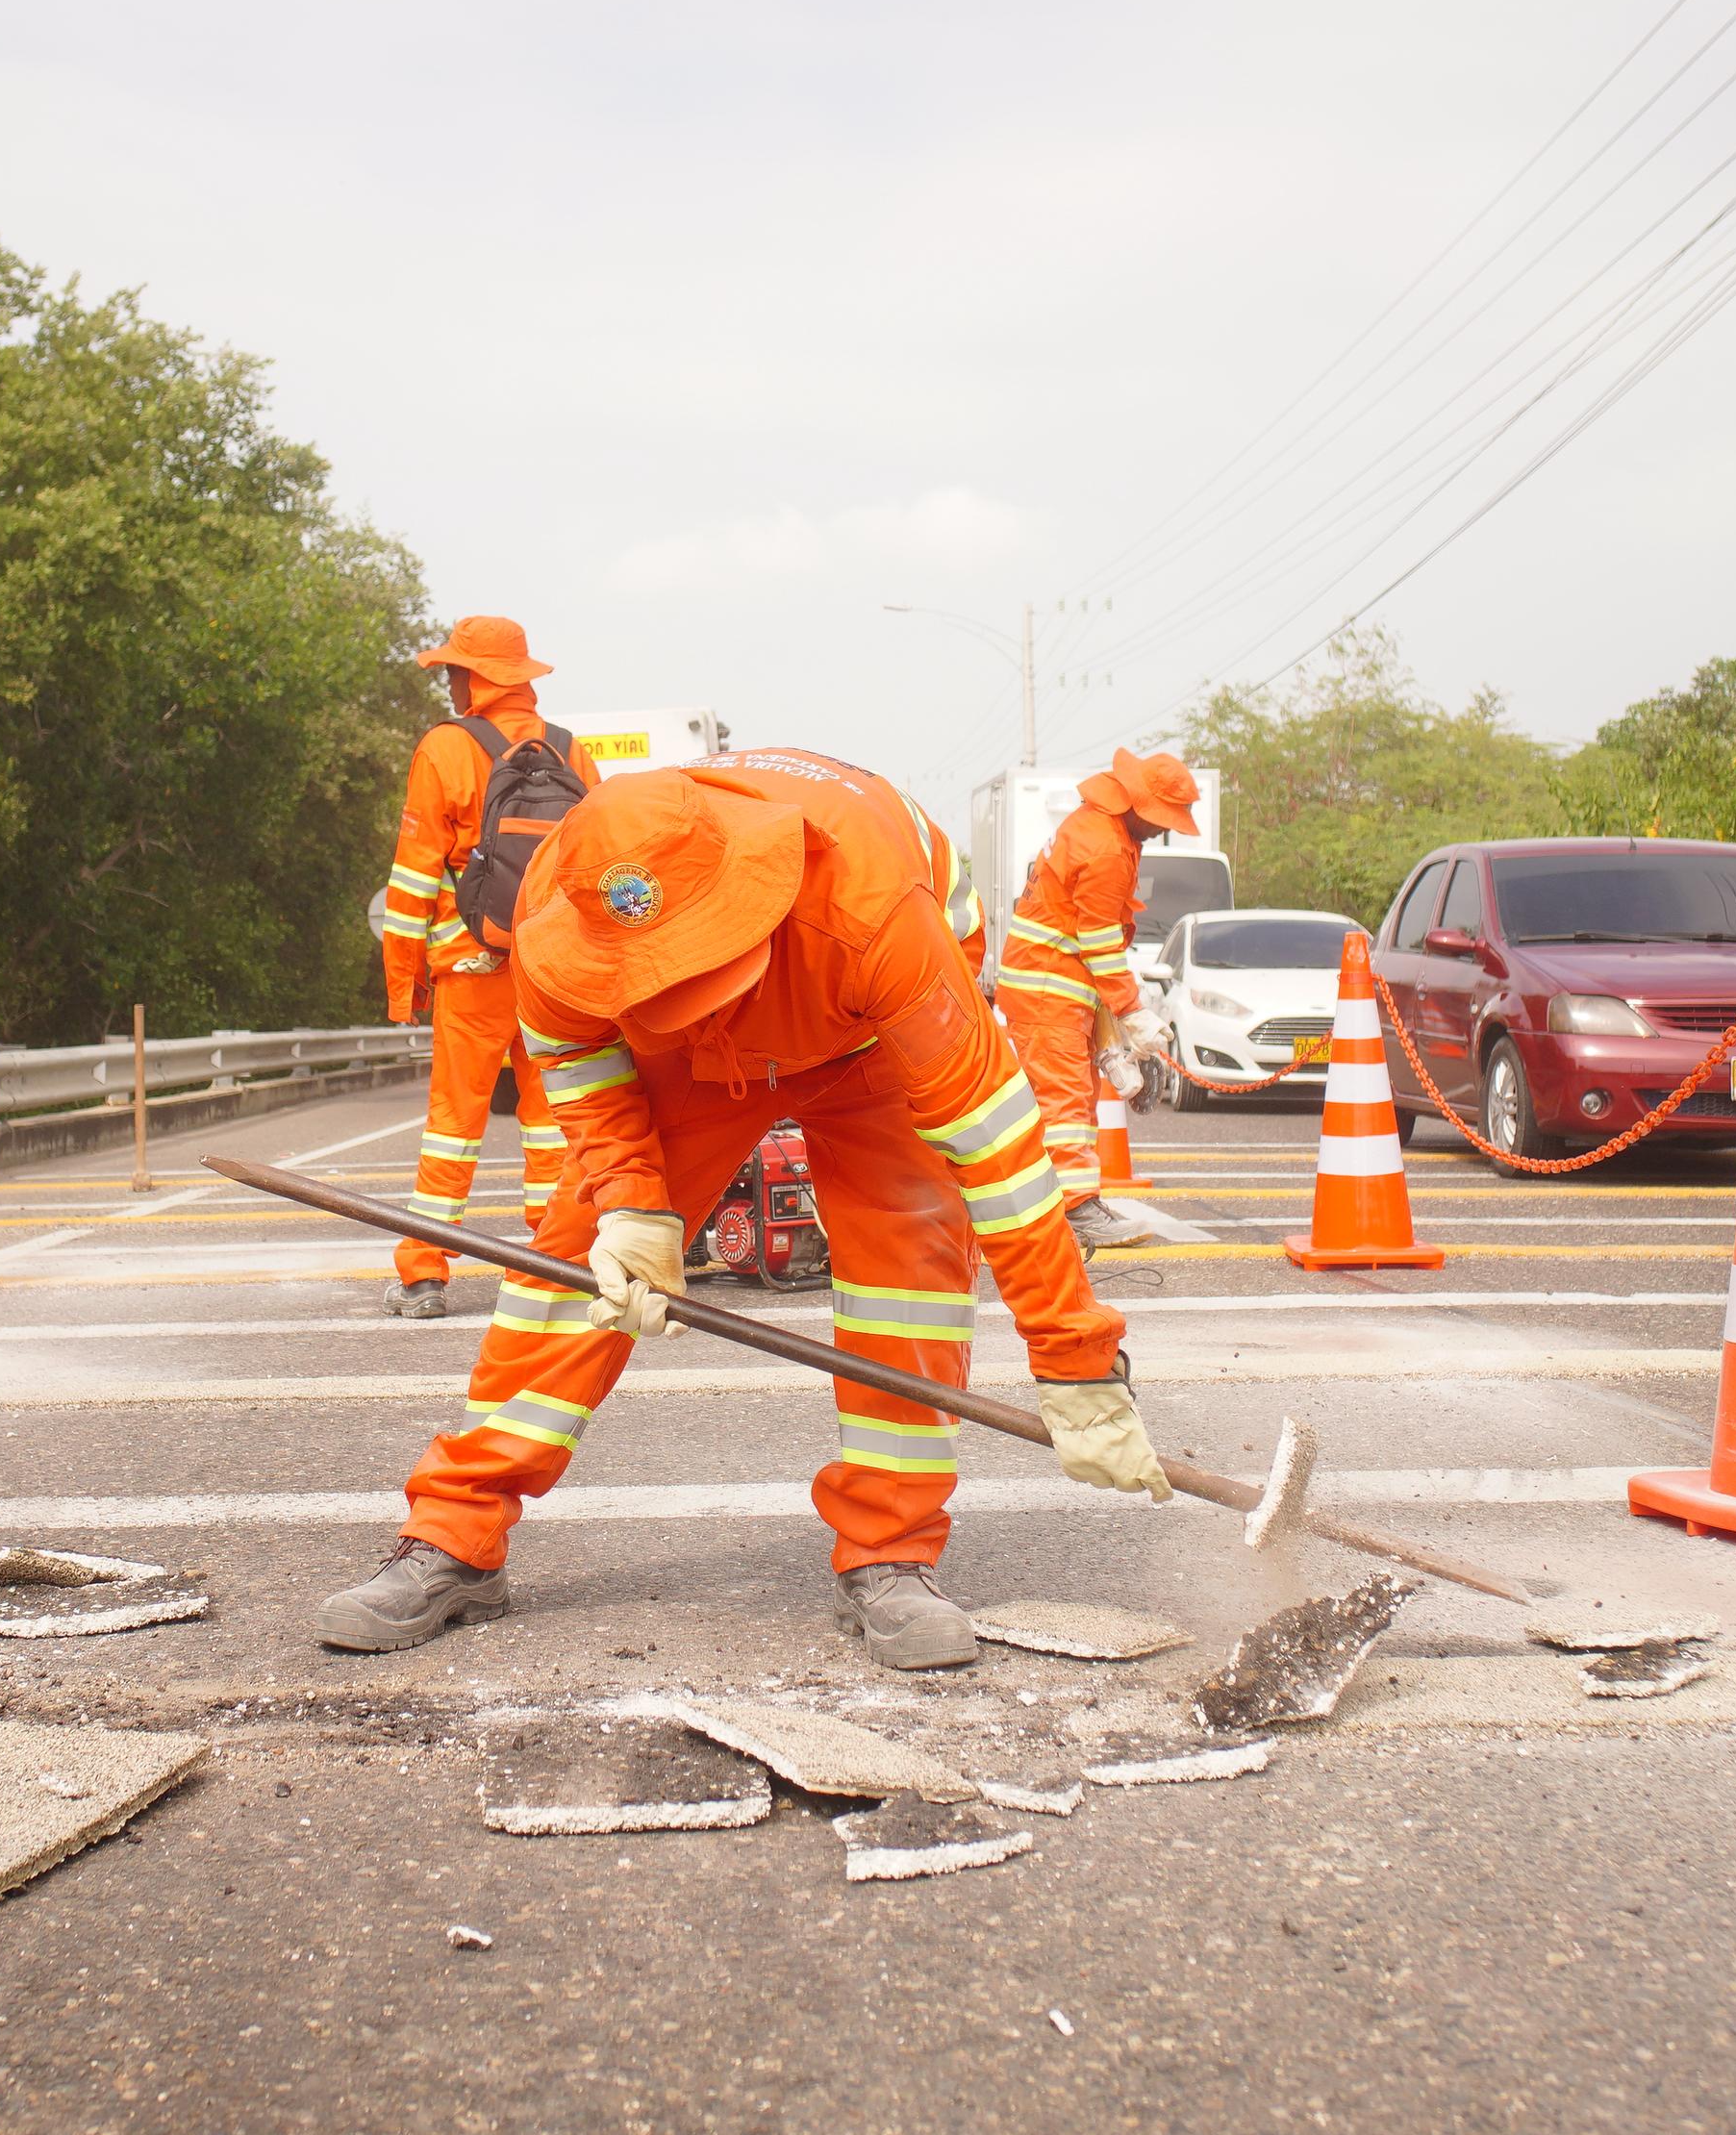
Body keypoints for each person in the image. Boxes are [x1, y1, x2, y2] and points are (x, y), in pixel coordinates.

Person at [315, 748, 1167, 1672]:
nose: (675, 1002)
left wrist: (1074, 1358)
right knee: (568, 1260)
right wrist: (632, 1205)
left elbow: (1003, 1165)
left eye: (689, 978)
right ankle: (454, 1533)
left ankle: (892, 1551)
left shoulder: (874, 915)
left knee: (908, 1261)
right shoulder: (563, 906)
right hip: (699, 1064)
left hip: (863, 1028)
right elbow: (575, 1061)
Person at [370, 615, 602, 1318]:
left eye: (455, 670)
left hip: (470, 969)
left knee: (454, 1122)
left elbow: (411, 885)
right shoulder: (571, 751)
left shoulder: (446, 748)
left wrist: (402, 984)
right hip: (553, 971)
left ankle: (424, 1274)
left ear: (480, 678)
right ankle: (556, 1263)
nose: (448, 681)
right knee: (553, 1121)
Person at [994, 747, 1199, 1245]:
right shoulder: (1106, 848)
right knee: (1065, 1102)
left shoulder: (1101, 827)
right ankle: (1077, 1210)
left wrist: (1112, 1029)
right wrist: (1134, 1014)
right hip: (1049, 989)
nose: (1161, 830)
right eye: (1159, 819)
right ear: (1136, 804)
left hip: (1051, 985)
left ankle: (1073, 1200)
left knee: (1072, 1097)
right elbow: (1101, 944)